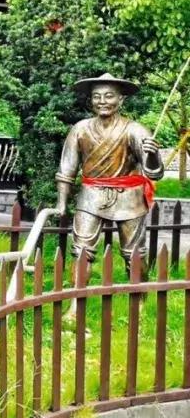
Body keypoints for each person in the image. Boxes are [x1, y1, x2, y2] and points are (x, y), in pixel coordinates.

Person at [55, 74, 164, 271]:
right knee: (80, 251)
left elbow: (154, 173)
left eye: (109, 96)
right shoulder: (80, 129)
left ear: (120, 99)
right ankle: (76, 300)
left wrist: (153, 154)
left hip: (129, 197)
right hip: (91, 196)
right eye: (97, 96)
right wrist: (61, 202)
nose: (102, 101)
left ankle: (138, 300)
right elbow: (66, 169)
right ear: (91, 100)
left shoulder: (135, 130)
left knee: (135, 254)